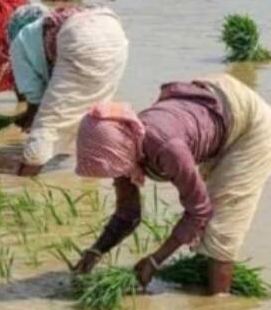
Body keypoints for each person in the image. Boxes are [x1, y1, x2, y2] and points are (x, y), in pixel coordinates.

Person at [73, 74, 271, 295]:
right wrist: (97, 250)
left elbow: (199, 211)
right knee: (208, 223)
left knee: (221, 230)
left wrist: (156, 261)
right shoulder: (123, 143)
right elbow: (128, 213)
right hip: (215, 101)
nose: (116, 174)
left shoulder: (167, 148)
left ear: (121, 149)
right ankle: (201, 285)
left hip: (250, 123)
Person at [9, 3, 128, 175]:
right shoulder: (46, 26)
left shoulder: (19, 40)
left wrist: (30, 118)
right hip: (113, 29)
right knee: (94, 113)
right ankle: (92, 179)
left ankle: (21, 183)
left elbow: (34, 97)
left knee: (47, 125)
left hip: (79, 35)